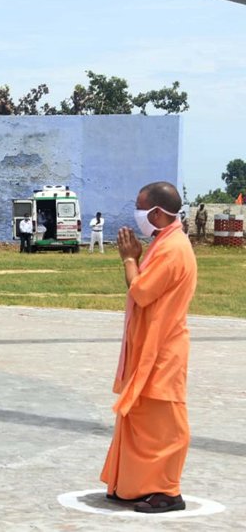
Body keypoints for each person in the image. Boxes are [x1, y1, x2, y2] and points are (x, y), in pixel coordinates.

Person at [100, 181, 197, 513]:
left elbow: (140, 292)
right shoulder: (163, 242)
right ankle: (133, 486)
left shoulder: (174, 248)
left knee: (165, 424)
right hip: (150, 346)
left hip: (164, 349)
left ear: (156, 212)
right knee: (140, 419)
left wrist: (129, 259)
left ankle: (168, 491)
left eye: (140, 207)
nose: (136, 213)